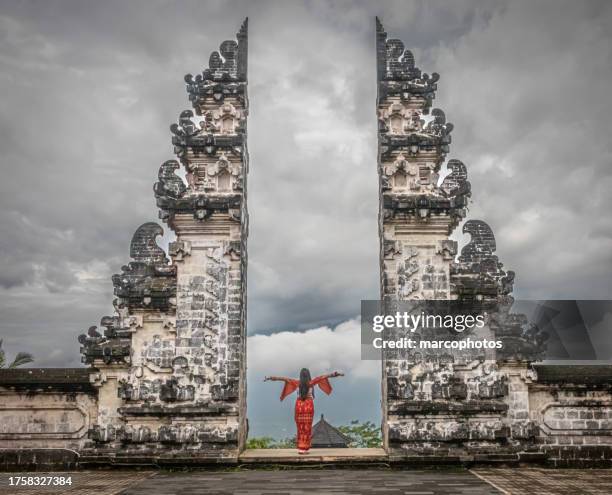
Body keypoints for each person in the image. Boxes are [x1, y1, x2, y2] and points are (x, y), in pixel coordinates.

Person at [264, 369, 344, 454]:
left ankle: (301, 448)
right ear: (308, 375)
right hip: (308, 406)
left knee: (300, 427)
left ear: (300, 376)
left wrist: (270, 378)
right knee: (307, 427)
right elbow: (323, 377)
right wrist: (335, 374)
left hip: (299, 406)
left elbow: (284, 379)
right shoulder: (311, 383)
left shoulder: (297, 383)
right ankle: (305, 448)